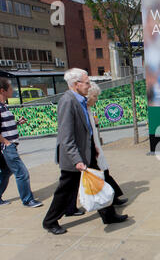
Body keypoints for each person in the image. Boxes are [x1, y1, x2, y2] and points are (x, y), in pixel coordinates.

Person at [42, 68, 127, 235]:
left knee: (99, 183)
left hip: (86, 152)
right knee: (65, 190)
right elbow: (66, 137)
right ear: (76, 84)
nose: (89, 86)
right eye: (87, 83)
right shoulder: (68, 101)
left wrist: (92, 146)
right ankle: (50, 221)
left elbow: (85, 129)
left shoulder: (79, 100)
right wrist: (77, 160)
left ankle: (109, 215)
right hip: (75, 157)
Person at [63, 81, 128, 217]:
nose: (96, 100)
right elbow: (69, 135)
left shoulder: (87, 109)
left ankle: (110, 205)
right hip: (79, 153)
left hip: (89, 151)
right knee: (70, 185)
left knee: (99, 175)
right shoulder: (74, 106)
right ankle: (55, 217)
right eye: (95, 97)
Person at [0, 77, 43, 208]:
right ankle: (28, 200)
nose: (13, 90)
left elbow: (1, 126)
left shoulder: (3, 106)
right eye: (10, 88)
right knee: (22, 173)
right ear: (2, 90)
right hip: (5, 147)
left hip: (8, 146)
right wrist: (6, 142)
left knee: (6, 172)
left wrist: (16, 123)